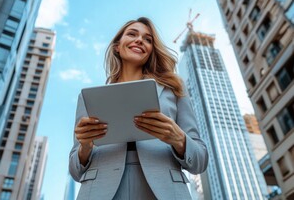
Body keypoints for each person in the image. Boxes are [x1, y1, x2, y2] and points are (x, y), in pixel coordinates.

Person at [69, 17, 208, 200]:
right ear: (117, 46)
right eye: (132, 34)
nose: (140, 40)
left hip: (164, 190)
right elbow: (75, 171)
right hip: (100, 190)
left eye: (148, 39)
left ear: (151, 50)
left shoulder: (174, 90)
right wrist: (85, 146)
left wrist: (179, 139)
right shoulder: (90, 99)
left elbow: (200, 161)